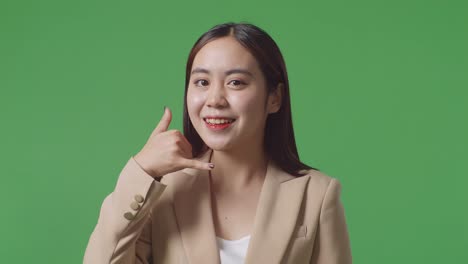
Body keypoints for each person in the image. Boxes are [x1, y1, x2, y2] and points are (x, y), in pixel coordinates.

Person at [83, 22, 352, 264]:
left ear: (274, 98)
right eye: (201, 82)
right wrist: (141, 170)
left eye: (236, 82)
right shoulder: (161, 191)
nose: (215, 100)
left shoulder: (317, 194)